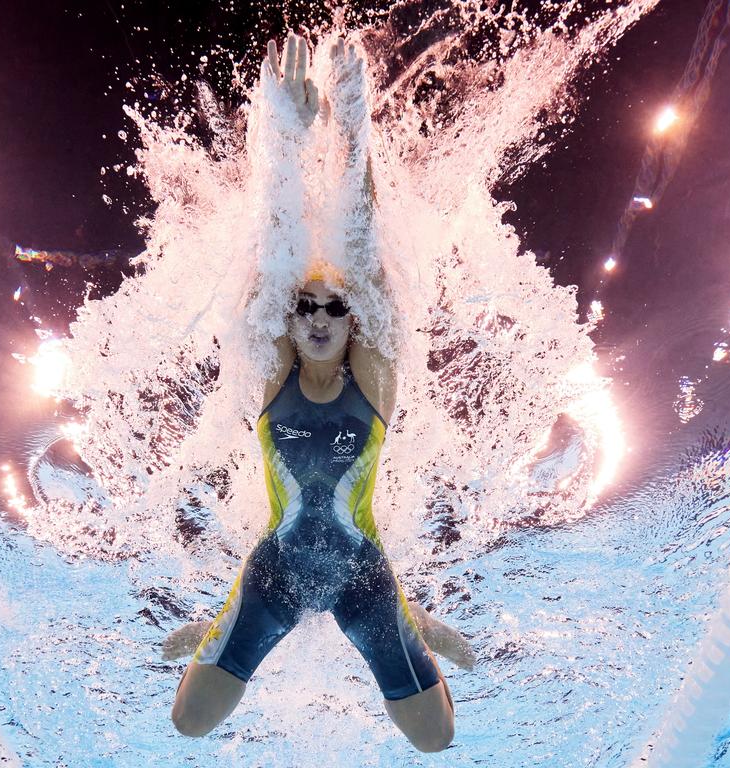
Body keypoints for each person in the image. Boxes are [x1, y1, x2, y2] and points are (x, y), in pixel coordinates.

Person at [164, 33, 473, 753]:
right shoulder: (273, 377)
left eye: (336, 308)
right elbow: (277, 252)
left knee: (436, 740)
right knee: (187, 724)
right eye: (308, 308)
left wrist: (354, 120)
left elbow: (360, 246)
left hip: (364, 579)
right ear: (293, 326)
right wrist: (286, 137)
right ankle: (228, 612)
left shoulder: (374, 383)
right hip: (273, 574)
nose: (322, 316)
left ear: (351, 322)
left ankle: (410, 615)